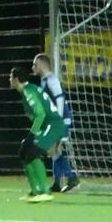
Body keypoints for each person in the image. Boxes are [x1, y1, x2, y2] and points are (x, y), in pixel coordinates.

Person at [9, 66, 67, 202]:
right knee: (23, 151)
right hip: (48, 125)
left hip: (53, 124)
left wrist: (32, 135)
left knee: (33, 150)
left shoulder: (28, 91)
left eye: (10, 77)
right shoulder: (29, 90)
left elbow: (40, 114)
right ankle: (35, 191)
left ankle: (45, 191)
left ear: (16, 79)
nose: (9, 80)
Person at [32, 53, 80, 193]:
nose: (33, 67)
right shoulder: (45, 80)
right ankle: (58, 183)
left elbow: (59, 98)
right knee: (54, 150)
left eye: (35, 64)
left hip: (61, 119)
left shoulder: (51, 80)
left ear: (42, 65)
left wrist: (57, 120)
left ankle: (71, 177)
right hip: (58, 119)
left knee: (51, 149)